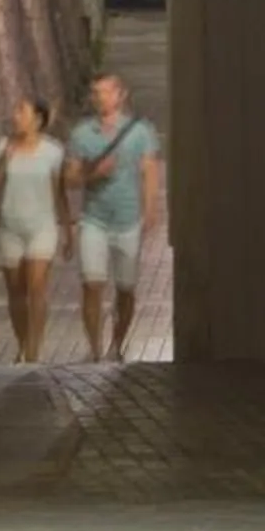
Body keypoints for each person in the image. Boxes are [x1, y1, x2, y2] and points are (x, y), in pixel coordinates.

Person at [64, 73, 162, 363]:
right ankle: (94, 348)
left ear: (121, 95)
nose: (100, 99)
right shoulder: (83, 133)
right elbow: (69, 178)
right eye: (95, 93)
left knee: (126, 289)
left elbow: (150, 170)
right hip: (94, 218)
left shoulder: (140, 131)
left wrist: (151, 209)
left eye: (105, 93)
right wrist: (93, 173)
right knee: (91, 284)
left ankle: (117, 344)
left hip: (127, 218)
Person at [0, 99, 65, 362]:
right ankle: (22, 342)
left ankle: (34, 350)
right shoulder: (3, 145)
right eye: (16, 110)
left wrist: (67, 227)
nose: (15, 115)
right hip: (10, 226)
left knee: (36, 288)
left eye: (22, 111)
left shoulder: (53, 151)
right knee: (16, 292)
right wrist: (4, 158)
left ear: (38, 119)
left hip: (41, 226)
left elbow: (59, 192)